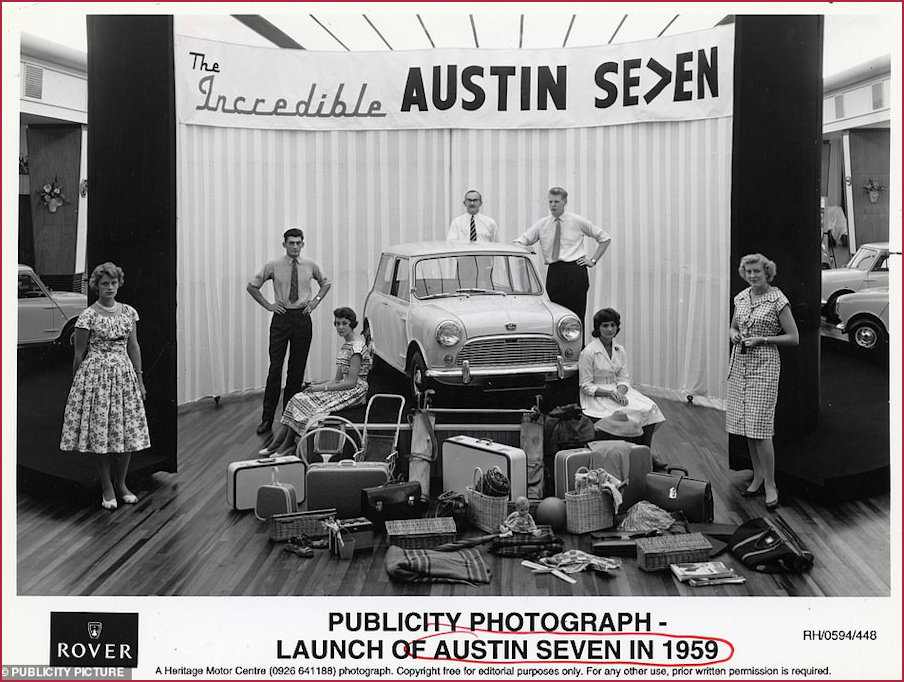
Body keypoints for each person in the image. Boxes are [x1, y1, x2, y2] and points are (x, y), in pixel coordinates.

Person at [60, 262, 150, 510]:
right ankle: (107, 486)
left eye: (113, 283)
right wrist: (77, 385)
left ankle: (121, 484)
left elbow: (134, 346)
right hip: (96, 378)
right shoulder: (87, 316)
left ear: (119, 284)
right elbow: (79, 353)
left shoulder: (129, 312)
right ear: (96, 286)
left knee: (126, 431)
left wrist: (140, 379)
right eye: (104, 284)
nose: (109, 287)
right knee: (101, 433)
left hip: (124, 377)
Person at [727, 253, 799, 511]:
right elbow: (733, 327)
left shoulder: (778, 300)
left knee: (761, 427)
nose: (752, 275)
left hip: (765, 367)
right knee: (748, 424)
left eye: (757, 271)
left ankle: (770, 483)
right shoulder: (742, 297)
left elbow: (793, 337)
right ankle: (757, 475)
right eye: (748, 271)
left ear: (767, 272)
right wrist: (735, 335)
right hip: (741, 365)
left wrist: (763, 340)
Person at [247, 228, 331, 436]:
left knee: (296, 370)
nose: (295, 246)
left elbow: (326, 283)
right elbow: (252, 286)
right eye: (291, 243)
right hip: (281, 319)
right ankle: (267, 420)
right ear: (284, 244)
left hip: (302, 318)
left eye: (298, 243)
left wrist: (315, 302)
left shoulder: (310, 265)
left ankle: (289, 419)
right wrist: (269, 305)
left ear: (303, 244)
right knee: (275, 369)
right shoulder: (273, 266)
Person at [261, 307, 372, 457]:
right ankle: (280, 443)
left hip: (354, 392)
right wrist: (317, 387)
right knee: (296, 398)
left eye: (344, 323)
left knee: (304, 402)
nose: (340, 327)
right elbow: (337, 379)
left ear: (352, 324)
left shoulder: (357, 347)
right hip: (345, 387)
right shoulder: (347, 344)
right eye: (337, 323)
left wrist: (323, 388)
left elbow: (351, 382)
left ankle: (285, 445)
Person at [579, 308, 668, 468]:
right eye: (605, 325)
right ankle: (630, 455)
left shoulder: (620, 350)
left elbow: (624, 378)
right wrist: (609, 394)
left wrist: (620, 392)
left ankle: (646, 452)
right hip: (597, 394)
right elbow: (585, 385)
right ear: (598, 328)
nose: (610, 329)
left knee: (649, 407)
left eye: (613, 325)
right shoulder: (588, 352)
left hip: (617, 389)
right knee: (620, 413)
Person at [514, 187, 611, 330]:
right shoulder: (542, 224)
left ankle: (578, 348)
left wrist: (593, 260)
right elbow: (518, 242)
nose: (553, 205)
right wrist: (526, 248)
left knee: (576, 315)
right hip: (555, 272)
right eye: (550, 202)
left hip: (575, 271)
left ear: (565, 202)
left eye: (557, 202)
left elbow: (605, 238)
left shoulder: (577, 221)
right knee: (555, 315)